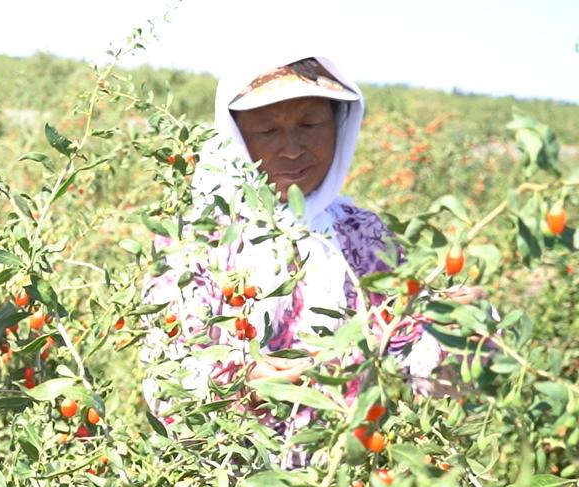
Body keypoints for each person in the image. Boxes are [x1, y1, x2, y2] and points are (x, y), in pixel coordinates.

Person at [141, 51, 456, 458]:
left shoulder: (364, 237)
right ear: (237, 136)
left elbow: (414, 353)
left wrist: (455, 332)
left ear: (339, 126)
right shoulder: (198, 242)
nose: (292, 149)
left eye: (310, 124)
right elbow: (164, 373)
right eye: (267, 130)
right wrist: (239, 380)